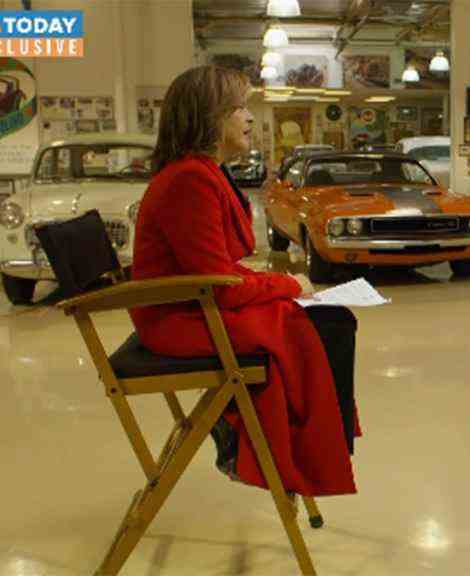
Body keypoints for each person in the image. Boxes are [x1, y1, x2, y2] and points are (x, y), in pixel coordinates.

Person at [129, 65, 358, 497]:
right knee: (322, 323)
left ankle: (315, 440)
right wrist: (290, 285)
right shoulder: (190, 178)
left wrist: (280, 284)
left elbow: (216, 273)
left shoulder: (198, 172)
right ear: (208, 118)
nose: (249, 117)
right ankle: (295, 448)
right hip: (180, 318)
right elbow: (218, 285)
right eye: (238, 108)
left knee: (325, 319)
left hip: (189, 306)